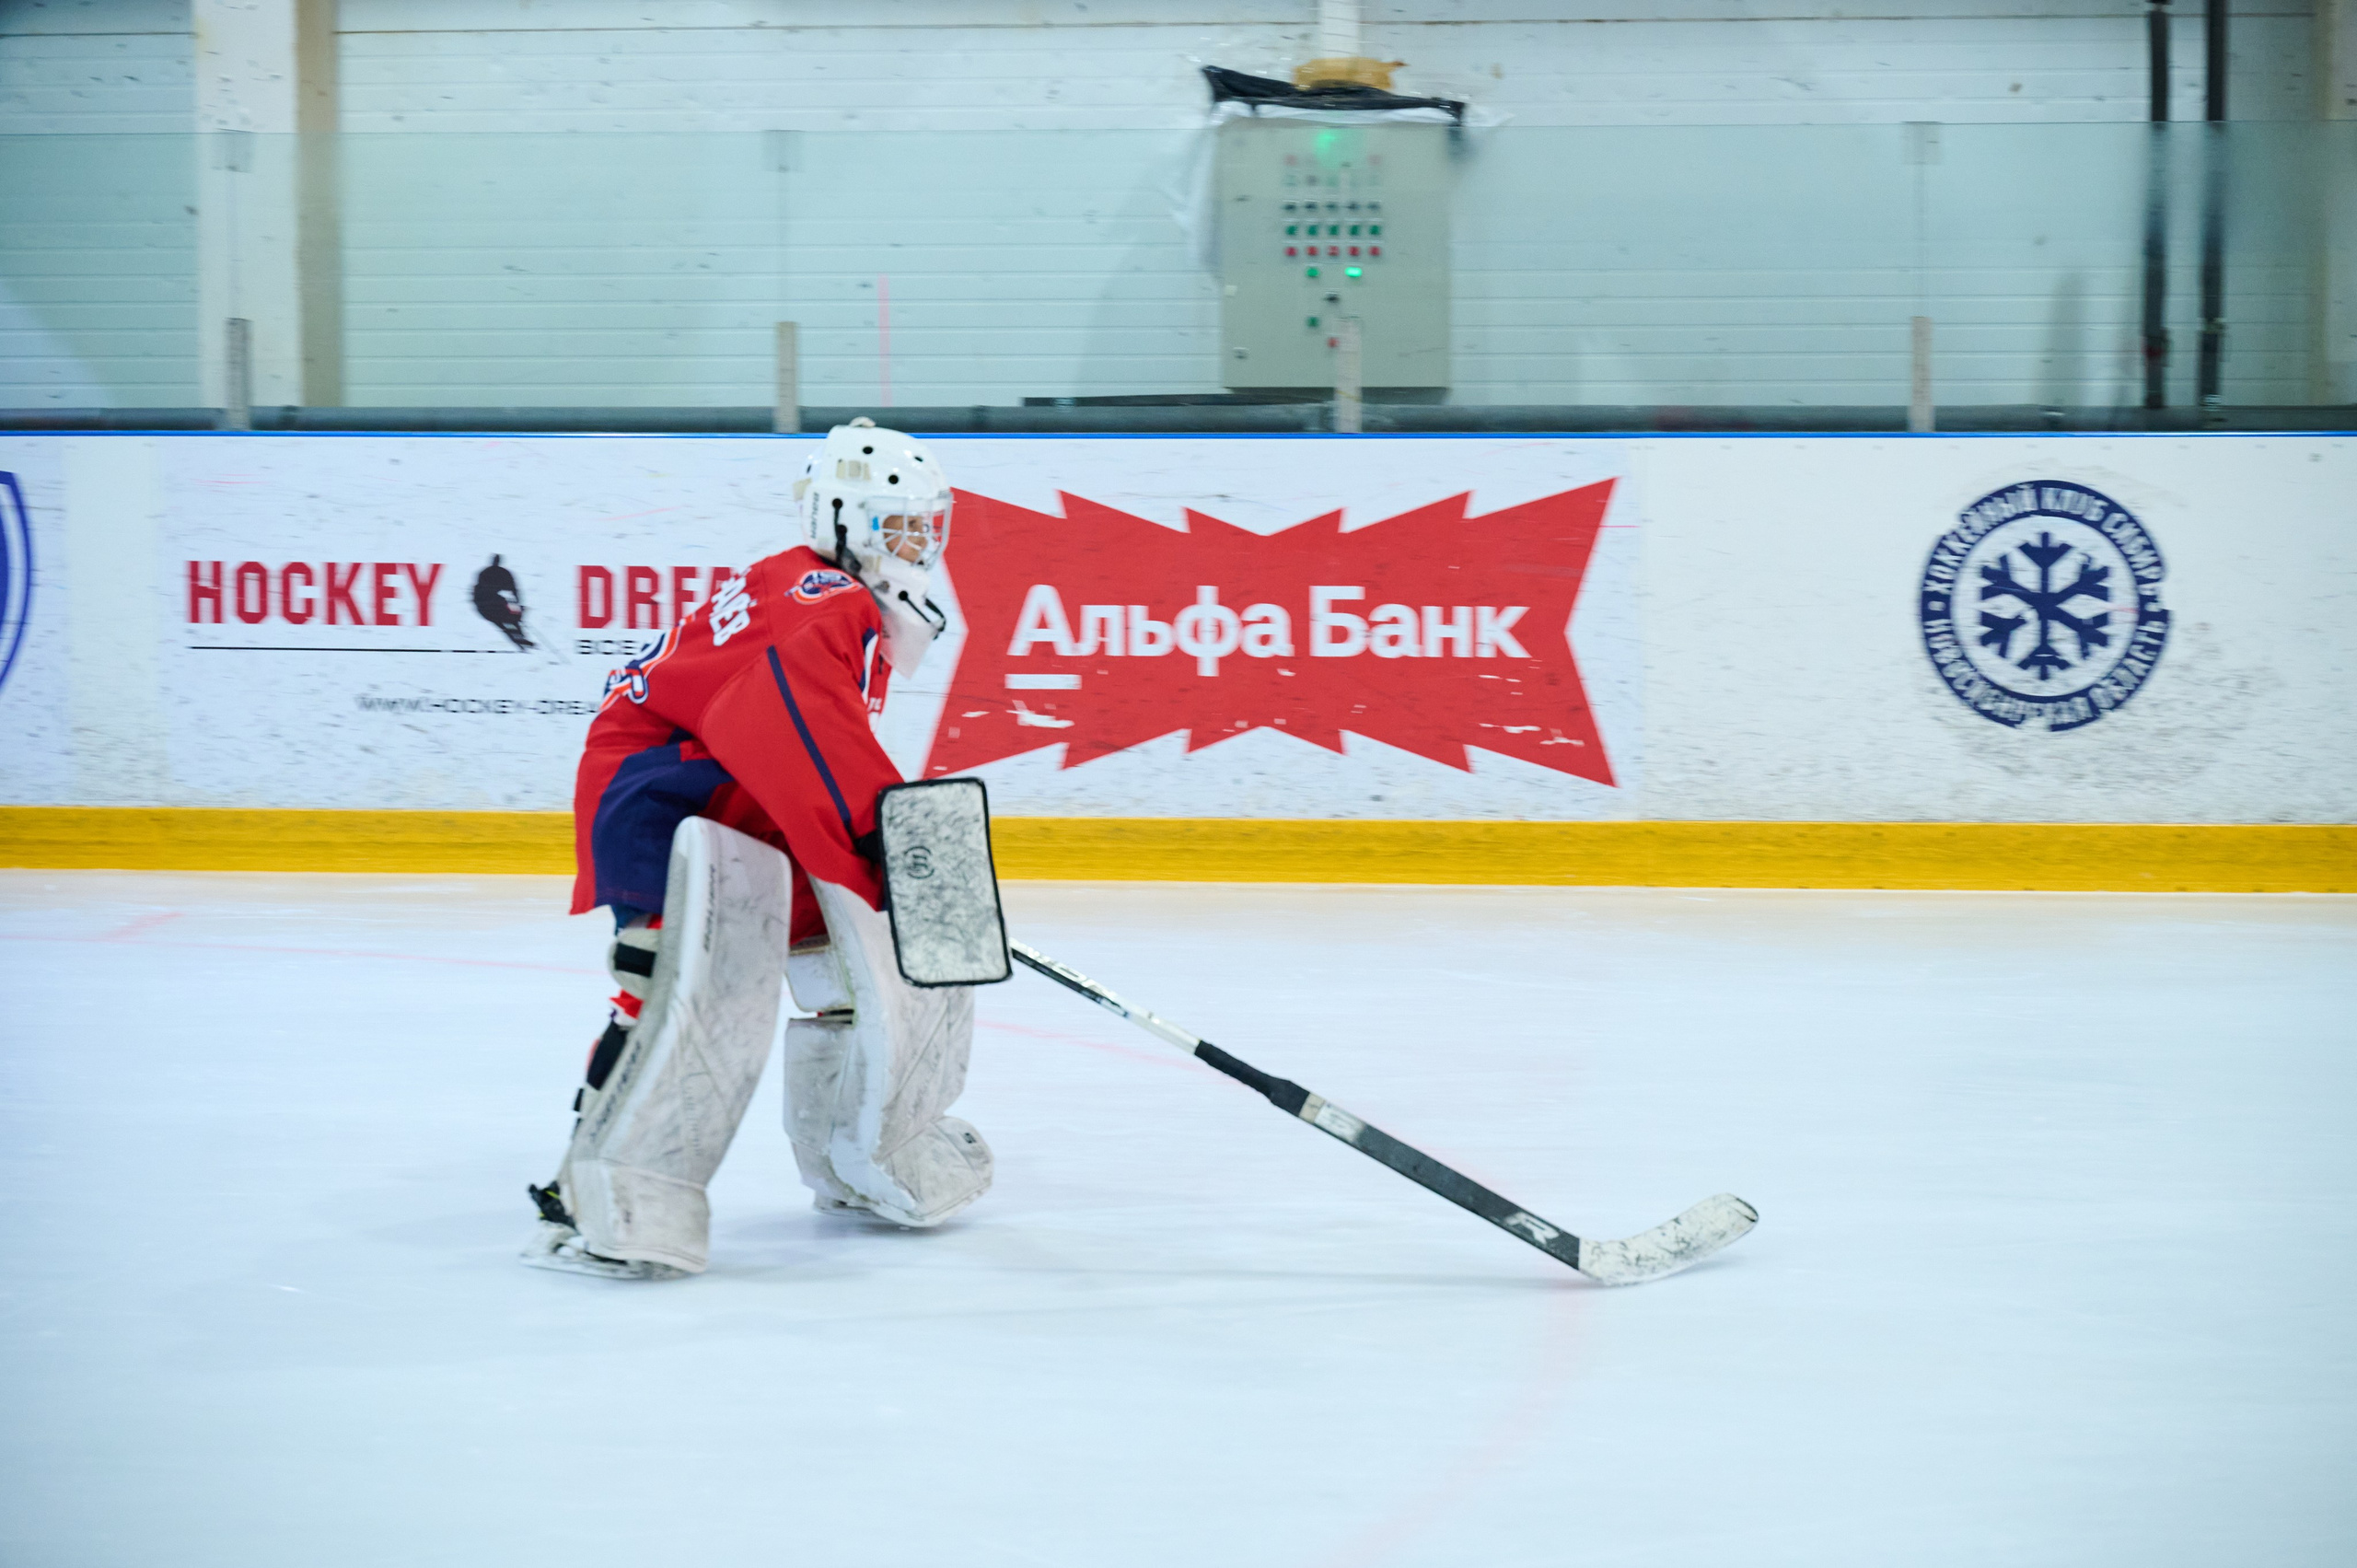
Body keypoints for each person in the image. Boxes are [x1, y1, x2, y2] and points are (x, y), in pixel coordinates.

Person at [522, 419, 992, 1279]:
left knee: (850, 974)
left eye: (929, 527)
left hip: (745, 793)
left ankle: (856, 1158)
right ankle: (596, 1193)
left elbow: (806, 751)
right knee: (673, 989)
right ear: (844, 523)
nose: (918, 546)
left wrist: (886, 858)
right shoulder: (823, 603)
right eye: (898, 528)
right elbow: (810, 746)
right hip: (668, 799)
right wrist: (893, 851)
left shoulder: (834, 600)